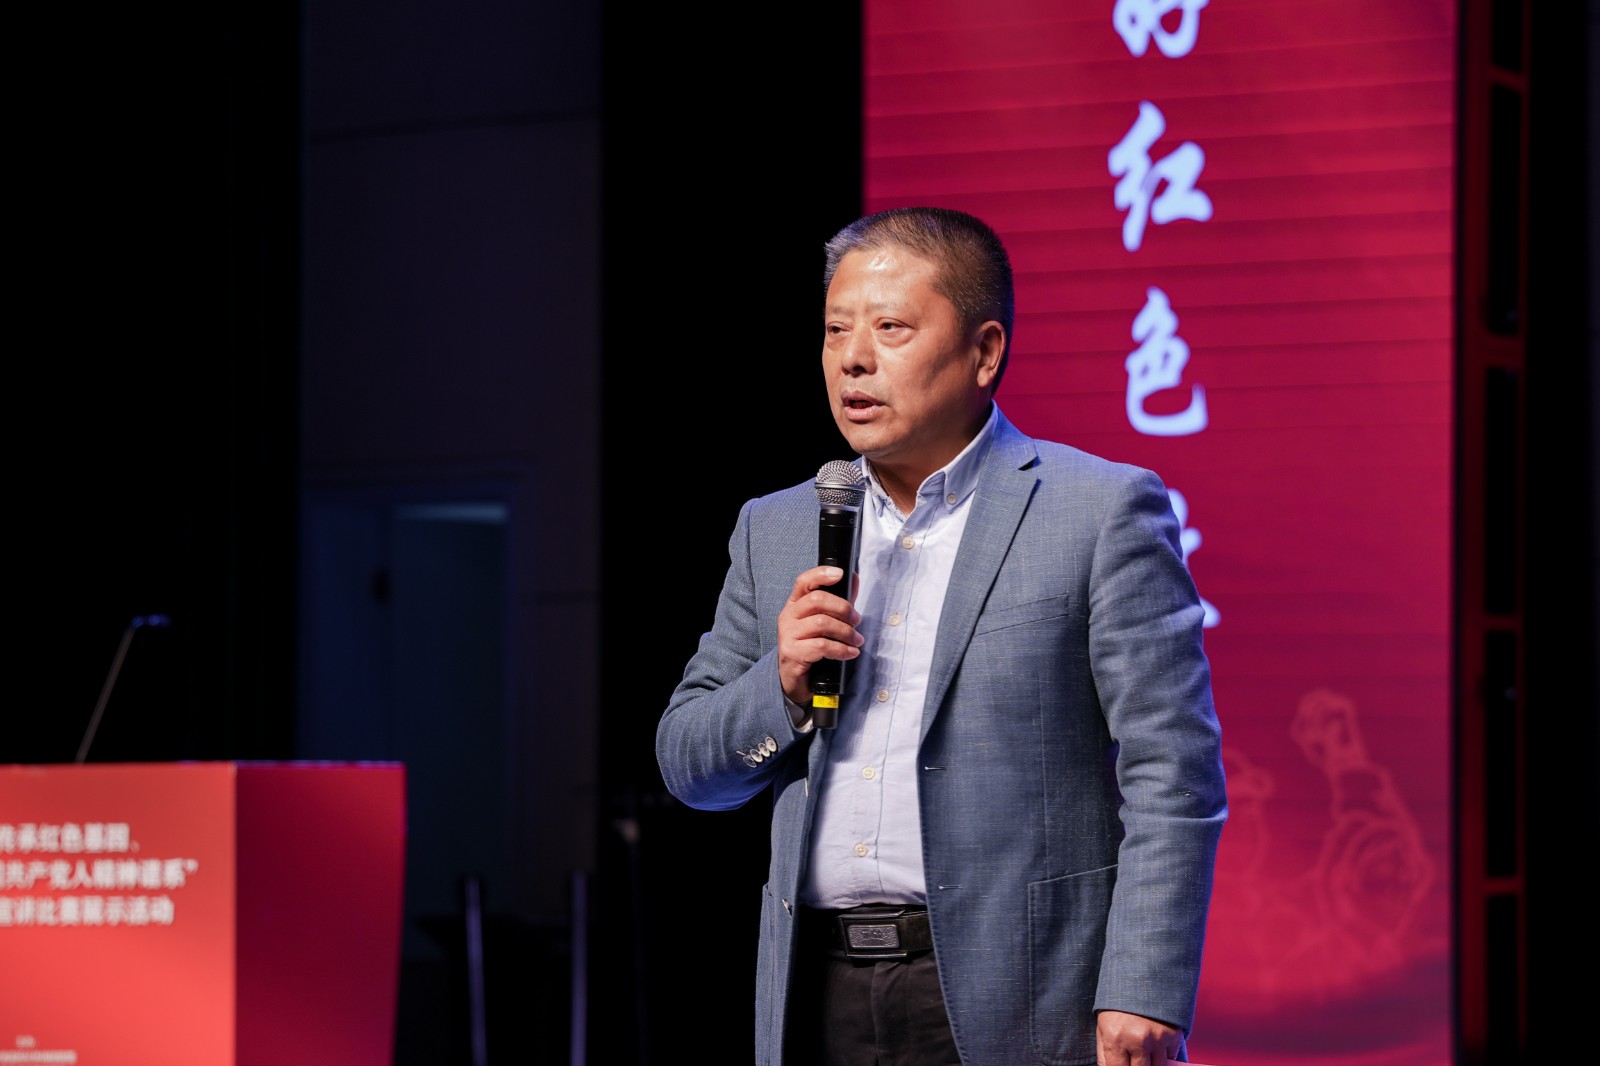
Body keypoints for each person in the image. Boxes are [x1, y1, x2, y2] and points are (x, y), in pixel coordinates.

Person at [656, 206, 1227, 1066]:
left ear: (984, 352)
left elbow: (1173, 769)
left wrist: (1144, 985)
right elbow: (687, 765)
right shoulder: (776, 528)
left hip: (1023, 995)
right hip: (817, 993)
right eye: (835, 330)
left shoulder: (1098, 510)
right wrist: (779, 687)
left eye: (889, 328)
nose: (852, 358)